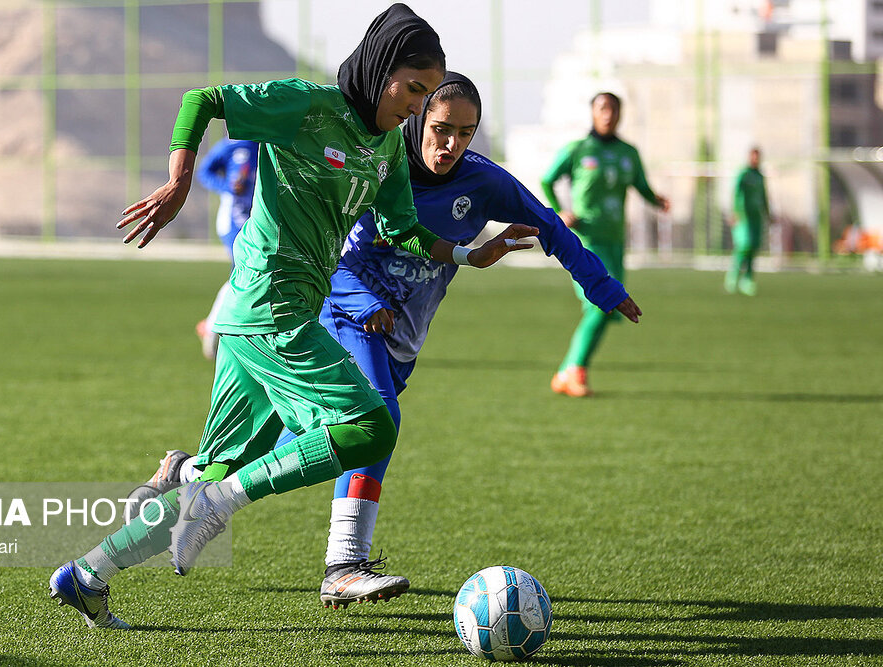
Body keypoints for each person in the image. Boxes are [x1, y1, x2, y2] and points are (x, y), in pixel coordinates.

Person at [48, 3, 536, 630]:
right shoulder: (308, 106)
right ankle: (215, 498)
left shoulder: (386, 145)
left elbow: (403, 229)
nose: (416, 108)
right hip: (270, 305)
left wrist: (469, 252)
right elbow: (202, 100)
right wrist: (179, 183)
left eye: (424, 95)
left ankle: (87, 574)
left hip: (273, 317)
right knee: (370, 425)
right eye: (412, 90)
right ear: (381, 69)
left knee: (222, 467)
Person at [131, 73, 642, 610]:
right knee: (380, 421)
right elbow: (336, 248)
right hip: (344, 313)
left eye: (466, 133)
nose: (451, 144)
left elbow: (552, 228)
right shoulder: (378, 159)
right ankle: (343, 563)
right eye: (442, 128)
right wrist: (364, 301)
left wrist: (602, 287)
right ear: (421, 118)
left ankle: (186, 472)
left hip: (402, 334)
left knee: (295, 448)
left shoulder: (485, 182)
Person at [541, 92, 669, 398]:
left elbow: (640, 185)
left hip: (615, 243)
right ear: (593, 113)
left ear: (620, 114)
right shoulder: (578, 149)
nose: (608, 114)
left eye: (613, 109)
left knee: (609, 308)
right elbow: (547, 180)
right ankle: (573, 370)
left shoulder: (629, 152)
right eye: (602, 108)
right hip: (586, 242)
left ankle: (567, 373)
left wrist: (657, 200)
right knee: (601, 303)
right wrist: (560, 211)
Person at [194, 138, 259, 359]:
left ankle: (221, 327)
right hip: (233, 221)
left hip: (257, 223)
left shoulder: (270, 143)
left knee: (248, 275)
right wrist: (229, 187)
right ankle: (213, 327)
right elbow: (204, 173)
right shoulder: (231, 145)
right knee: (241, 273)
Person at [725, 146, 770, 296]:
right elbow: (736, 193)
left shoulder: (760, 176)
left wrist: (768, 213)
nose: (755, 159)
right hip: (743, 216)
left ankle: (748, 279)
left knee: (754, 247)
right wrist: (733, 212)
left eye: (757, 157)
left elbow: (764, 196)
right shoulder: (743, 174)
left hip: (756, 217)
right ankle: (733, 276)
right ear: (749, 157)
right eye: (753, 156)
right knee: (744, 245)